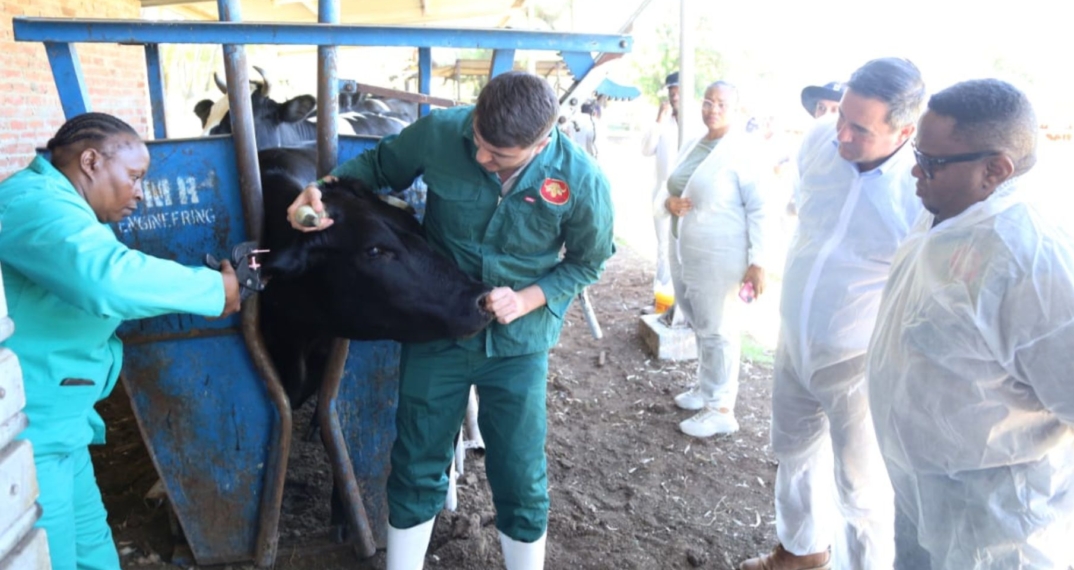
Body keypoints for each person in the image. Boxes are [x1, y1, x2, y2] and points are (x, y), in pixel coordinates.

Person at [285, 71, 614, 570]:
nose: (481, 157)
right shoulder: (442, 132)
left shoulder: (582, 181)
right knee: (416, 461)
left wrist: (529, 297)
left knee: (519, 473)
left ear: (542, 142)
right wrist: (320, 189)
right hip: (439, 327)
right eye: (478, 142)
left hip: (517, 345)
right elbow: (373, 167)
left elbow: (589, 260)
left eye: (498, 155)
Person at [867, 79, 1074, 569]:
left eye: (932, 162)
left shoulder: (1030, 257)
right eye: (918, 152)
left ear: (995, 170)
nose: (914, 170)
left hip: (996, 520)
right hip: (924, 487)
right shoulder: (949, 212)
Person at [0, 112, 242, 570]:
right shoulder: (29, 203)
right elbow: (106, 278)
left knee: (96, 558)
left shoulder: (64, 208)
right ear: (90, 161)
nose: (139, 191)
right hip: (28, 433)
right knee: (50, 559)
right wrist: (215, 291)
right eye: (134, 176)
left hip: (62, 430)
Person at [739, 58, 925, 570]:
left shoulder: (920, 191)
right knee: (793, 452)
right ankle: (801, 551)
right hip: (795, 336)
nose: (840, 133)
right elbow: (806, 220)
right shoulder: (819, 140)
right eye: (841, 115)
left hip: (860, 357)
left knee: (861, 486)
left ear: (904, 131)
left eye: (860, 128)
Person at [656, 81, 777, 438]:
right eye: (708, 102)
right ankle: (706, 390)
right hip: (685, 248)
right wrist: (668, 204)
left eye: (722, 104)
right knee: (699, 321)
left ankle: (722, 407)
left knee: (719, 328)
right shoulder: (696, 142)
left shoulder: (744, 150)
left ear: (736, 109)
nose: (713, 109)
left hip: (720, 255)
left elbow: (762, 208)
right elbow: (672, 186)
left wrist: (759, 261)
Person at [640, 71, 682, 314]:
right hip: (662, 195)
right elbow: (646, 149)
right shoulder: (663, 122)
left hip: (689, 197)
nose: (675, 96)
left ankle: (683, 303)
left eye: (678, 91)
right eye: (671, 92)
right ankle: (662, 302)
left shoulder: (699, 122)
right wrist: (658, 120)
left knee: (684, 248)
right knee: (664, 247)